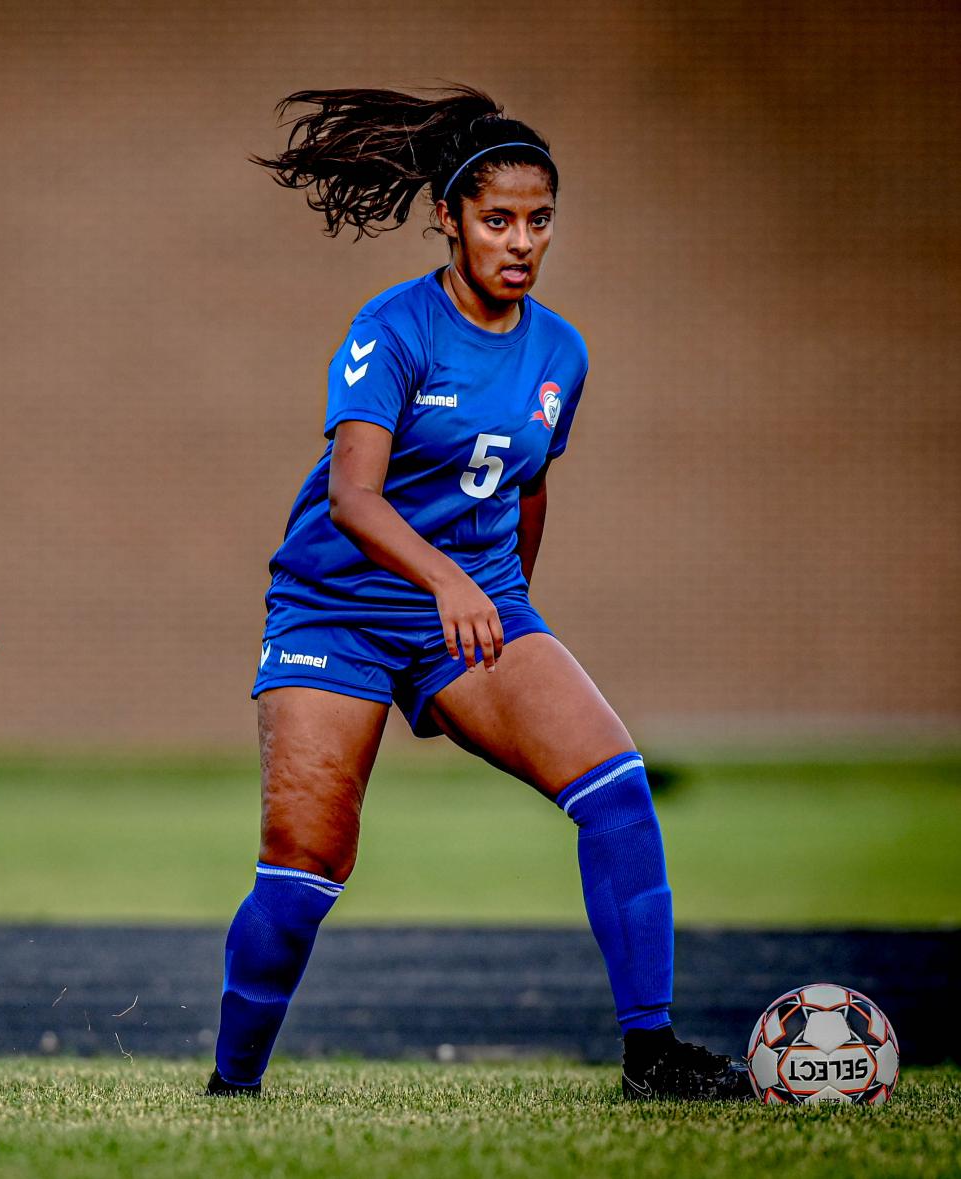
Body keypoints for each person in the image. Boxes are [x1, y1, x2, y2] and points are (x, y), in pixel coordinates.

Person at [207, 86, 748, 1101]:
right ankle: (233, 1090)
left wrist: (506, 609)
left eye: (538, 221)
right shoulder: (392, 329)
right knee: (303, 869)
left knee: (619, 794)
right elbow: (351, 497)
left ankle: (652, 1054)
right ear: (449, 220)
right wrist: (453, 583)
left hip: (472, 608)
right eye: (496, 219)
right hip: (339, 612)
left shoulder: (560, 352)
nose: (520, 241)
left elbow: (527, 483)